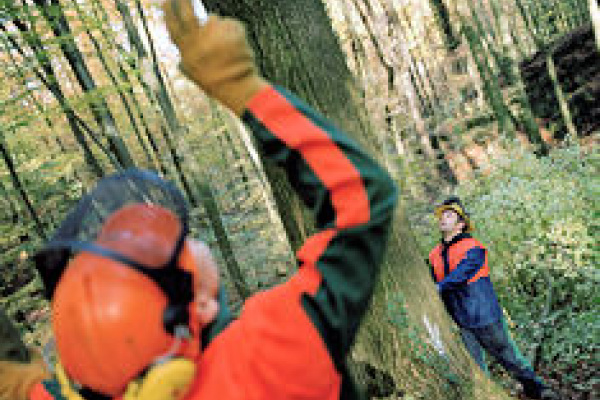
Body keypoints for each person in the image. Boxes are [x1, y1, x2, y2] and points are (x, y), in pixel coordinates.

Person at [0, 0, 398, 398]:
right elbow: (362, 199)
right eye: (173, 254)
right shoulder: (270, 358)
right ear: (200, 309)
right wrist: (240, 85)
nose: (176, 240)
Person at [429, 197, 558, 400]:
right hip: (460, 322)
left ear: (461, 224)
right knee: (474, 370)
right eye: (442, 215)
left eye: (449, 215)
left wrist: (439, 287)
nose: (443, 219)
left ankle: (539, 391)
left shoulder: (473, 247)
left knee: (510, 359)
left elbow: (463, 273)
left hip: (485, 317)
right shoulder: (434, 254)